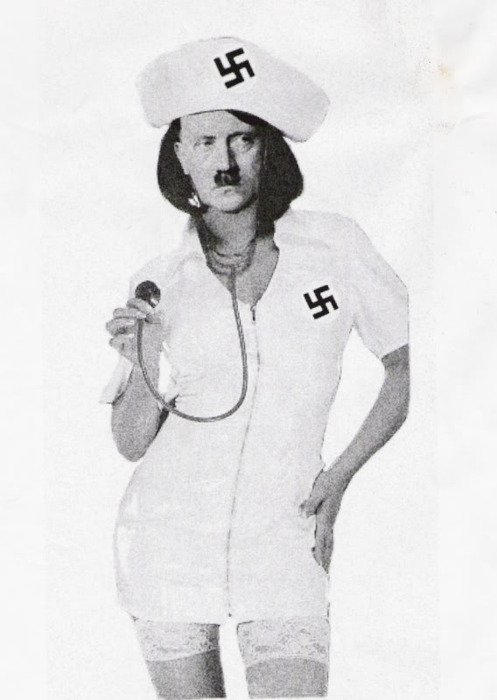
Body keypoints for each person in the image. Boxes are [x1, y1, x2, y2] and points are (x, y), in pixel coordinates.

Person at [101, 37, 410, 699]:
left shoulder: (334, 246)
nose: (224, 161)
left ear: (268, 149)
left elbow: (410, 363)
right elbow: (130, 442)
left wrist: (340, 475)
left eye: (241, 139)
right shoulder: (159, 278)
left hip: (285, 531)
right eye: (204, 142)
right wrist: (144, 350)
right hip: (166, 539)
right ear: (179, 156)